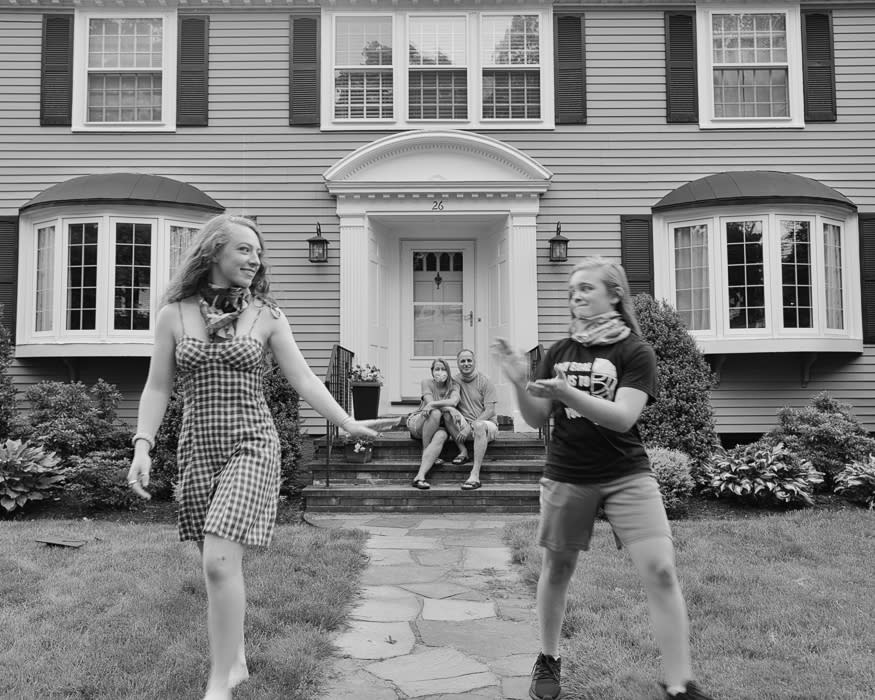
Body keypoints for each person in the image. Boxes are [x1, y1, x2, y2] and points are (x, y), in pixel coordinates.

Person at [125, 214, 394, 700]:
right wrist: (143, 444)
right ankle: (237, 657)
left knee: (218, 561)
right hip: (198, 446)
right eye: (245, 249)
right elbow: (157, 386)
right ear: (214, 252)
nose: (255, 259)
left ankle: (219, 683)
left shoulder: (267, 315)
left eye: (258, 252)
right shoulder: (174, 315)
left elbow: (304, 378)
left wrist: (346, 421)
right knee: (217, 562)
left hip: (252, 443)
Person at [492, 256, 713, 700]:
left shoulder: (635, 351)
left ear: (614, 295)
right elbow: (537, 417)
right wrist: (519, 382)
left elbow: (622, 417)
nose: (575, 295)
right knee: (558, 568)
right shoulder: (559, 351)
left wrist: (568, 393)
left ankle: (679, 684)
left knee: (661, 570)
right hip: (568, 473)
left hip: (626, 473)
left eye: (586, 288)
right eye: (572, 290)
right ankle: (549, 658)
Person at [446, 348, 498, 490]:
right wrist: (451, 409)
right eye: (462, 361)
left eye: (469, 360)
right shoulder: (454, 381)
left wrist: (472, 425)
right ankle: (463, 451)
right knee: (447, 414)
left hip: (487, 426)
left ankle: (474, 475)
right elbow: (447, 400)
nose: (466, 364)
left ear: (474, 362)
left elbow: (490, 410)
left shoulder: (485, 381)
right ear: (457, 363)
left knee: (479, 425)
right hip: (465, 426)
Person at [407, 358, 461, 489]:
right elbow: (430, 404)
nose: (440, 372)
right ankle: (425, 450)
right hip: (419, 422)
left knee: (442, 435)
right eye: (437, 369)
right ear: (432, 371)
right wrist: (449, 408)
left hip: (440, 427)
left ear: (448, 371)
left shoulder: (454, 385)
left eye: (443, 369)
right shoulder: (426, 383)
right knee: (435, 413)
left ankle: (420, 477)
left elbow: (454, 401)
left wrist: (449, 407)